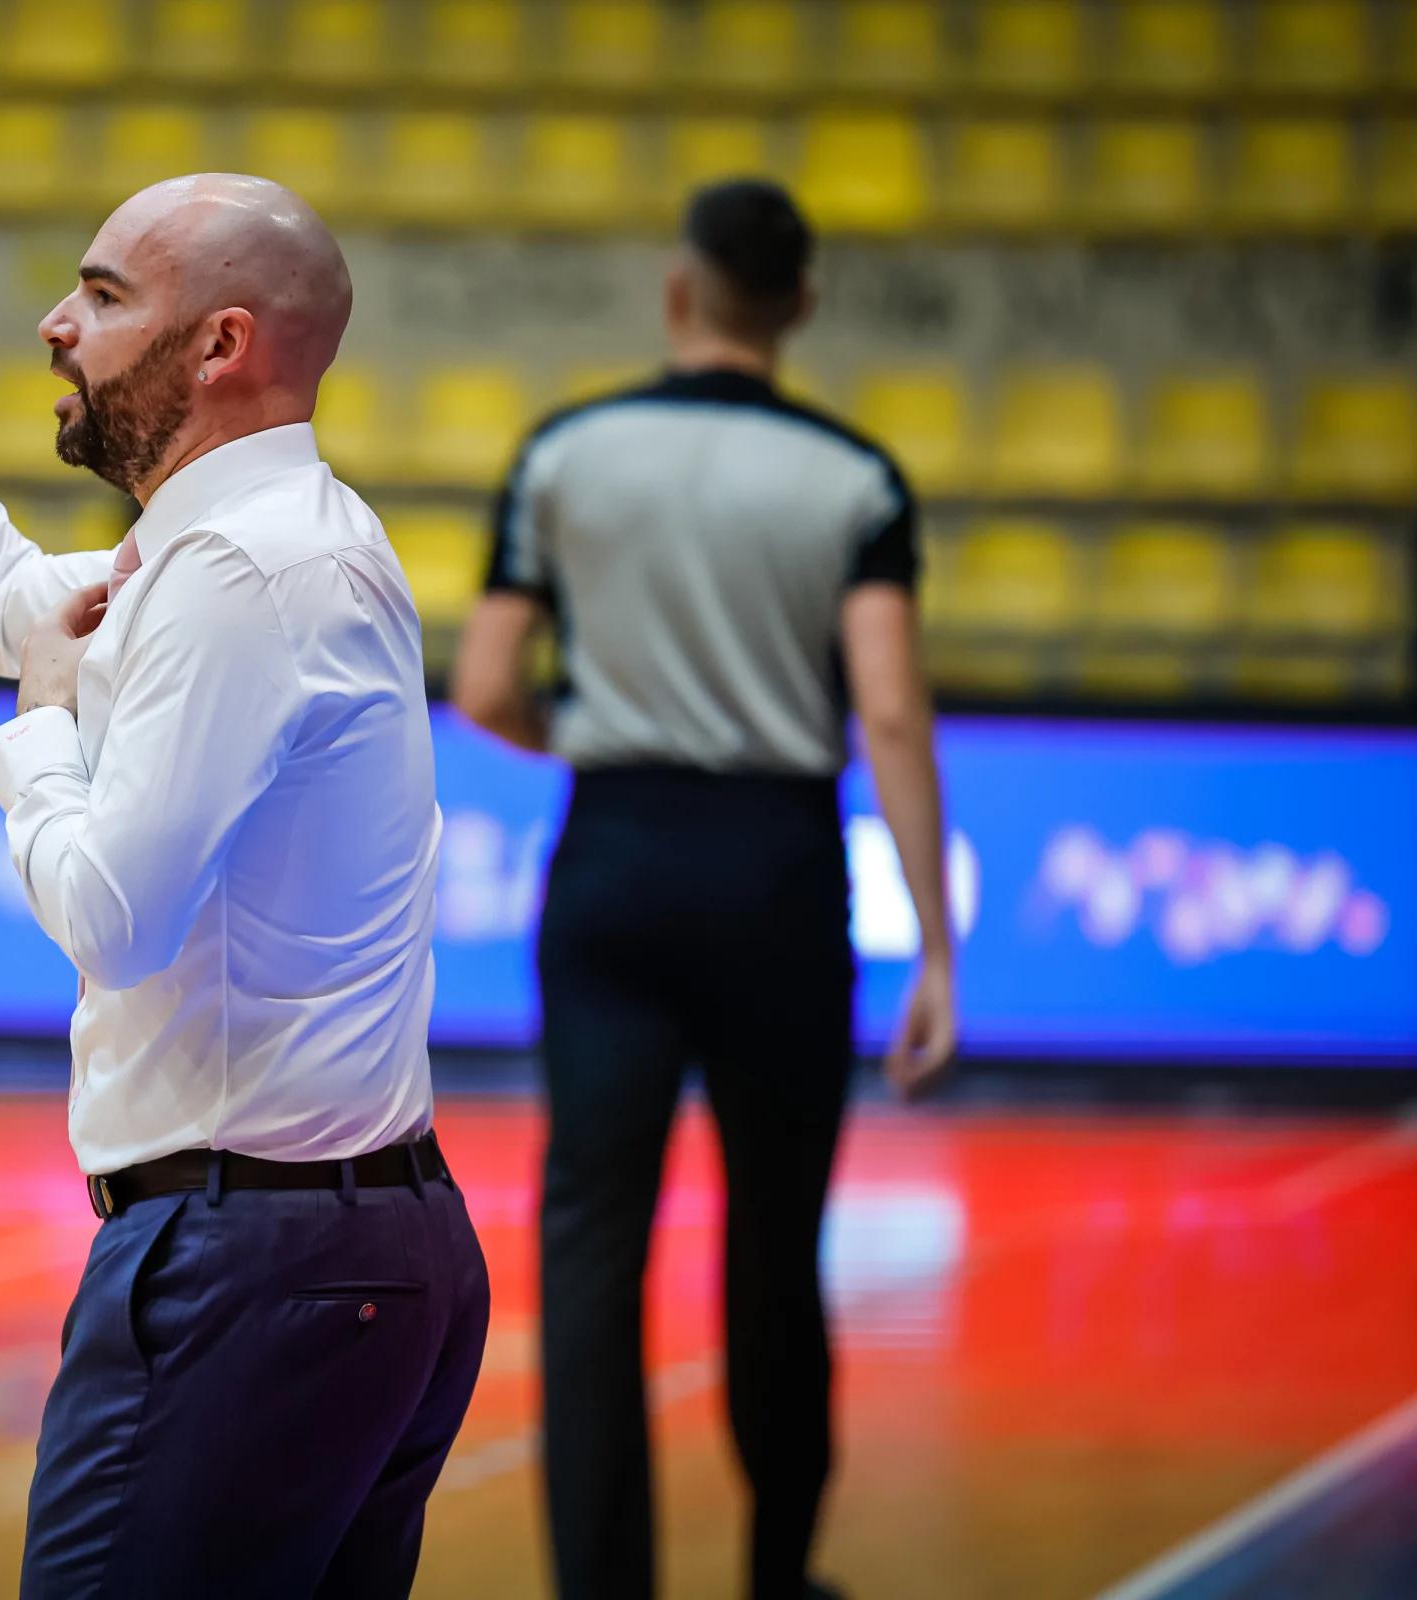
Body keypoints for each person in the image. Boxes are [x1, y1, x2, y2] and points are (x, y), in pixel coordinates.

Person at [0, 158, 490, 1596]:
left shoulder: (243, 575)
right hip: (351, 1244)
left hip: (251, 1259)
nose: (57, 324)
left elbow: (114, 918)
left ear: (221, 346)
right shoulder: (244, 547)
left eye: (104, 293)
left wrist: (40, 744)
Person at [452, 179, 960, 1600]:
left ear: (680, 294)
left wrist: (603, 748)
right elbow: (894, 713)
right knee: (774, 1244)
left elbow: (486, 683)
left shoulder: (566, 451)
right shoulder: (857, 480)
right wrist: (933, 947)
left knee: (592, 1253)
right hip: (779, 875)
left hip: (613, 859)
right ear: (800, 304)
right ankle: (781, 1577)